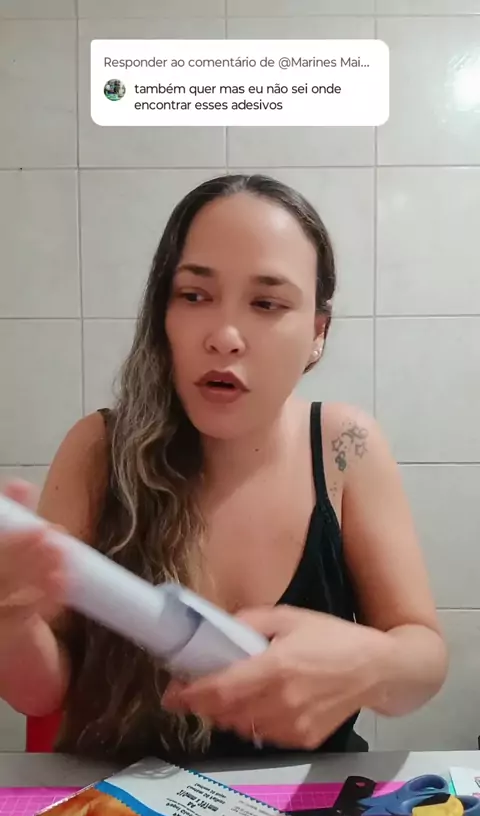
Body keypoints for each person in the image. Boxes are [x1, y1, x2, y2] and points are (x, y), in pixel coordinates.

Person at [0, 174, 447, 765]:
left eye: (266, 304)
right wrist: (10, 616)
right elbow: (39, 694)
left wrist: (372, 663)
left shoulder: (346, 447)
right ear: (162, 314)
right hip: (118, 803)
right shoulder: (100, 448)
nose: (225, 337)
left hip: (311, 802)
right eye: (194, 295)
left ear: (317, 333)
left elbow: (424, 659)